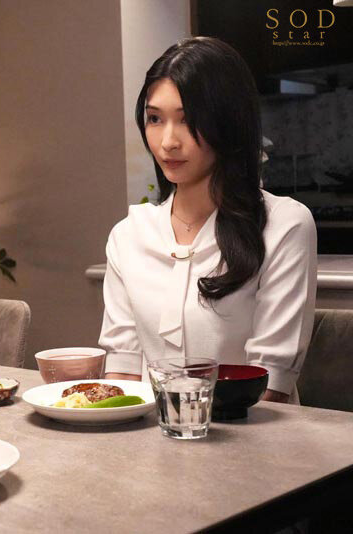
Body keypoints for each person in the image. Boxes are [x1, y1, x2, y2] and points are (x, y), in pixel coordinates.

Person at [99, 37, 317, 402]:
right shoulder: (129, 235)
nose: (168, 141)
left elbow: (271, 386)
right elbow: (122, 374)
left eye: (188, 120)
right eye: (155, 119)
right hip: (152, 434)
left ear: (228, 122)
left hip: (256, 432)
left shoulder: (284, 225)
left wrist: (190, 428)